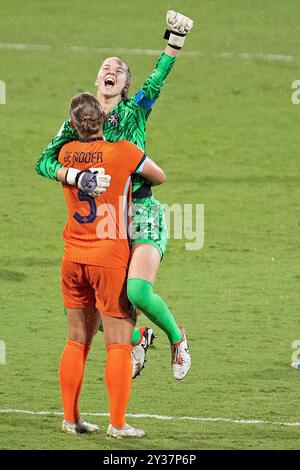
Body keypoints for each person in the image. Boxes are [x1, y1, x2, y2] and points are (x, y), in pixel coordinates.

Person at [36, 11, 193, 380]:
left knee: (137, 292)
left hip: (140, 211)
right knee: (93, 304)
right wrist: (74, 175)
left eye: (119, 70)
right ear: (96, 79)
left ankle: (177, 338)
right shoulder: (78, 120)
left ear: (123, 85)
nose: (111, 70)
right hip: (104, 220)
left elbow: (155, 82)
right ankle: (139, 337)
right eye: (106, 67)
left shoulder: (134, 110)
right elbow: (43, 161)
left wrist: (175, 41)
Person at [58, 92, 166, 437]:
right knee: (119, 343)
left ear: (73, 124)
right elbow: (159, 176)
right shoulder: (124, 153)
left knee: (76, 341)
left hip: (73, 255)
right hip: (109, 257)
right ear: (104, 120)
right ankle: (117, 424)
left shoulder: (64, 154)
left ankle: (71, 419)